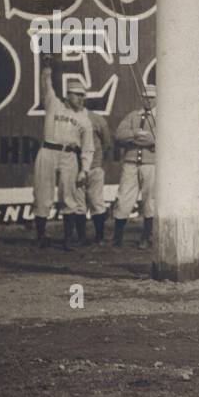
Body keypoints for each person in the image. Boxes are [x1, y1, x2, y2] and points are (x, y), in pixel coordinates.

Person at [32, 57, 94, 251]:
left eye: (83, 95)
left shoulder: (84, 119)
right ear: (68, 96)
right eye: (77, 95)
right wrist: (47, 68)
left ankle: (68, 239)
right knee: (43, 194)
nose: (80, 98)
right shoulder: (54, 104)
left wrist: (84, 169)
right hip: (48, 151)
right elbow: (46, 84)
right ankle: (41, 236)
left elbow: (88, 147)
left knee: (69, 197)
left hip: (69, 155)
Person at [112, 85, 157, 249]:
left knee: (149, 200)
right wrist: (136, 135)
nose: (148, 100)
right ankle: (117, 237)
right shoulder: (133, 115)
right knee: (124, 197)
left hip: (150, 164)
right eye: (146, 97)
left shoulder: (162, 116)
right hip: (131, 162)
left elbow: (157, 138)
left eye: (152, 97)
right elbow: (119, 134)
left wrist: (134, 137)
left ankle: (147, 236)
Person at [79, 103, 113, 246]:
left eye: (81, 96)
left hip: (94, 166)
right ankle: (81, 238)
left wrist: (98, 160)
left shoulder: (96, 119)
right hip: (75, 167)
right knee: (77, 204)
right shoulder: (68, 118)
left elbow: (107, 143)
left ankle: (100, 236)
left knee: (96, 201)